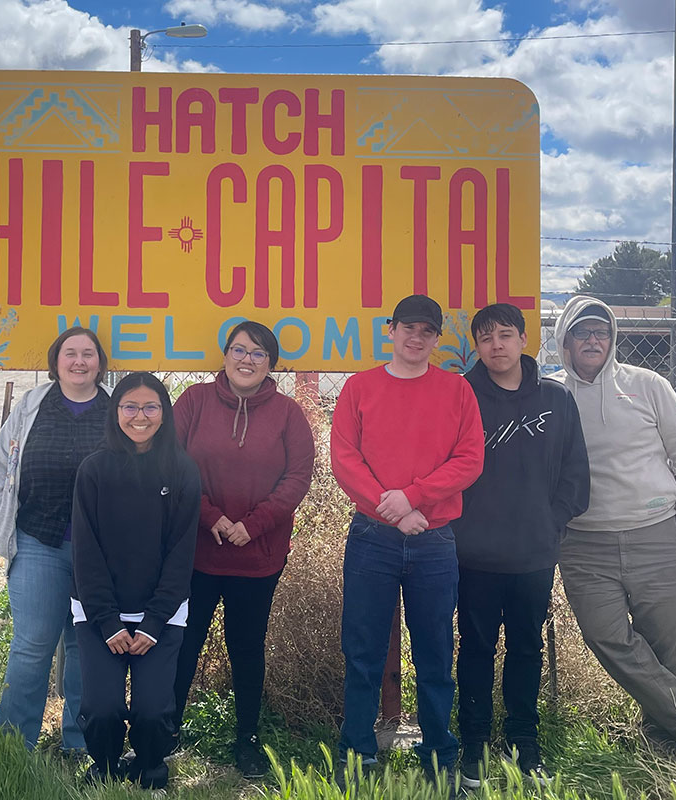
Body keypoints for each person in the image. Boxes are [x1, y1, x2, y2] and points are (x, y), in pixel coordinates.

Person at [549, 296, 676, 761]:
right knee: (605, 636)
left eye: (601, 331)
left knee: (667, 647)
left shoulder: (648, 385)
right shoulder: (551, 394)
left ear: (613, 337)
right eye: (582, 332)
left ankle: (663, 742)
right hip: (585, 544)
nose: (593, 339)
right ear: (564, 340)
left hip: (660, 535)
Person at [330, 294, 485, 784]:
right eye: (408, 328)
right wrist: (392, 510)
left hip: (434, 539)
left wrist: (414, 498)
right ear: (391, 330)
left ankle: (439, 754)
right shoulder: (359, 387)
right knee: (363, 652)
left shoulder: (457, 390)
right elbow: (345, 459)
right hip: (372, 536)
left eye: (427, 331)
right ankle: (357, 752)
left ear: (437, 339)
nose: (416, 338)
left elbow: (469, 459)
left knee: (435, 654)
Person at [452, 303, 589, 788]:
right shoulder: (461, 396)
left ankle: (523, 741)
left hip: (533, 554)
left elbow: (576, 474)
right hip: (474, 554)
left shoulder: (556, 398)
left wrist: (549, 523)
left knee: (526, 647)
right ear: (476, 346)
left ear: (524, 340)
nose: (497, 345)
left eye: (505, 335)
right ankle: (473, 741)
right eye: (486, 338)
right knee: (475, 648)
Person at [171, 320, 315, 778]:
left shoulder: (289, 414)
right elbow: (171, 464)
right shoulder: (193, 402)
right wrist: (211, 517)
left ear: (270, 363)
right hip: (196, 552)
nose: (247, 360)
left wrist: (251, 526)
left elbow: (298, 477)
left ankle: (247, 738)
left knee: (247, 647)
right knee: (183, 642)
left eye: (258, 353)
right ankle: (165, 732)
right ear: (225, 354)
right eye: (239, 349)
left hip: (257, 556)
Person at [70, 372, 201, 790]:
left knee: (153, 710)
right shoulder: (93, 470)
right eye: (130, 406)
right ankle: (105, 766)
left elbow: (181, 555)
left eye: (150, 407)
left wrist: (154, 621)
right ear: (116, 412)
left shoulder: (182, 471)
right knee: (102, 707)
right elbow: (85, 554)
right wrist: (108, 622)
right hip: (99, 613)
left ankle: (150, 766)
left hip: (159, 614)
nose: (139, 416)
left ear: (164, 413)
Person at [0, 326, 109, 753]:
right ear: (56, 360)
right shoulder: (31, 407)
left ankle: (81, 744)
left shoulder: (116, 409)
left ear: (100, 363)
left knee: (86, 647)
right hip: (38, 541)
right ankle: (12, 748)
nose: (79, 361)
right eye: (70, 353)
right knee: (33, 644)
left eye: (88, 353)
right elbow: (0, 467)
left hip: (99, 551)